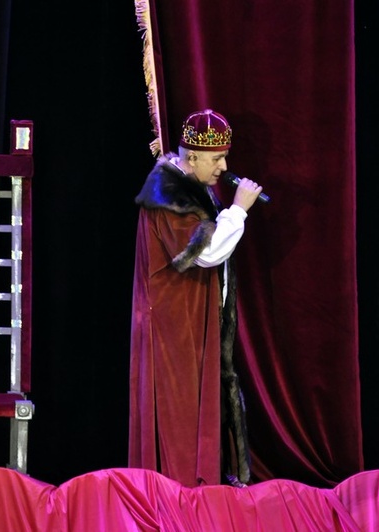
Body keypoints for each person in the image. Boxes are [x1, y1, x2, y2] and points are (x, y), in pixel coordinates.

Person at [128, 109, 263, 488]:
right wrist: (238, 210)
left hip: (188, 315)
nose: (224, 167)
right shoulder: (169, 197)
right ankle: (177, 495)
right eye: (216, 158)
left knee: (195, 403)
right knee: (179, 410)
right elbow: (204, 252)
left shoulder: (190, 188)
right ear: (192, 157)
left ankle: (195, 489)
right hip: (172, 322)